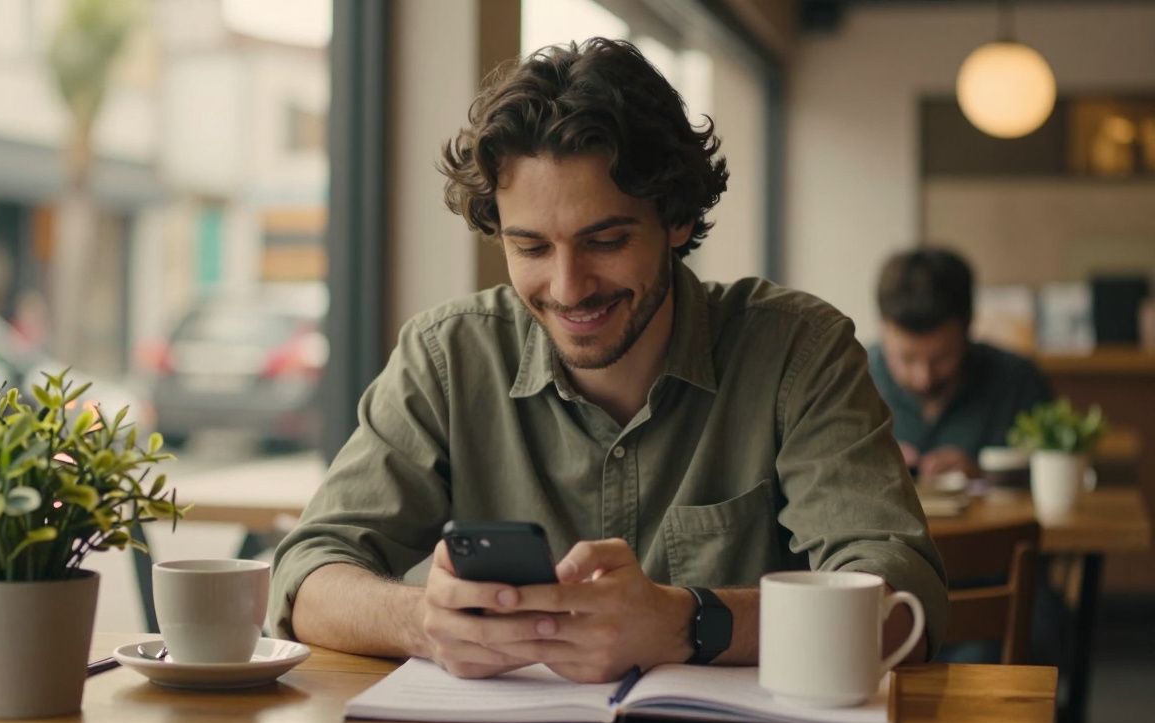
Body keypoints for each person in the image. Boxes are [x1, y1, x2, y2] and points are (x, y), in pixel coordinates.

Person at [270, 38, 946, 684]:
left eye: (606, 239)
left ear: (676, 219)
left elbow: (903, 605)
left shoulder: (798, 350)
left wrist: (690, 622)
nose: (568, 289)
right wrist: (427, 621)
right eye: (531, 249)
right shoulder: (447, 357)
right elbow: (306, 574)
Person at [868, 248, 1052, 480]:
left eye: (941, 358)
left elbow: (1053, 478)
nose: (923, 378)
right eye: (907, 358)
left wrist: (982, 477)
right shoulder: (850, 381)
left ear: (968, 328)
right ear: (883, 329)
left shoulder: (1018, 381)